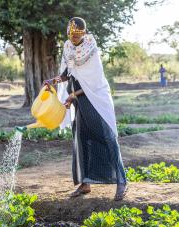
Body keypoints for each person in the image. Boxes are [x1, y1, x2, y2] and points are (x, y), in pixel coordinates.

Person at [44, 17, 128, 201]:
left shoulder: (91, 48)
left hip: (95, 99)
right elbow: (68, 73)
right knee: (80, 138)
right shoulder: (67, 47)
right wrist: (54, 80)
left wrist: (73, 95)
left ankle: (121, 180)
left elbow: (95, 82)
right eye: (71, 35)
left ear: (83, 33)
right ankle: (85, 183)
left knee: (107, 136)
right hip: (78, 100)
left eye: (76, 35)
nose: (73, 38)